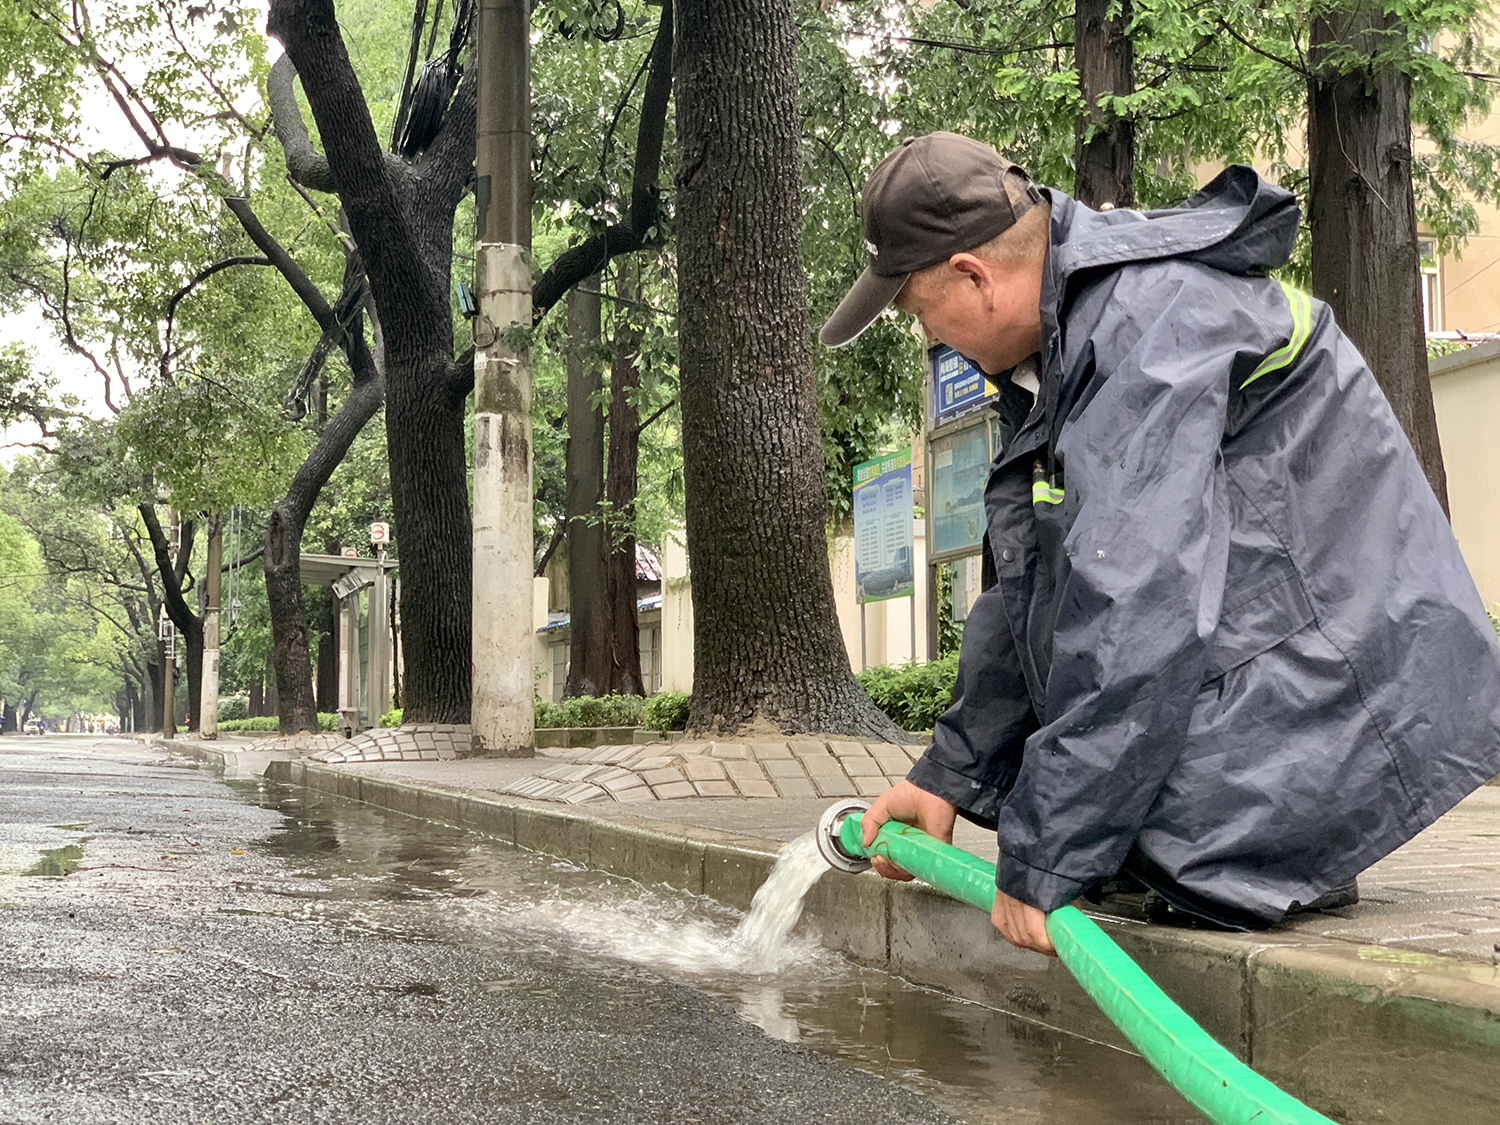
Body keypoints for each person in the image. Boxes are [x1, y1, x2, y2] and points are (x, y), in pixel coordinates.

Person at [820, 131, 1500, 955]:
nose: (930, 336)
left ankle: (1289, 846)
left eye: (921, 312)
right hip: (1295, 648)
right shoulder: (1068, 344)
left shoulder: (1146, 326)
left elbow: (1138, 598)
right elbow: (1035, 586)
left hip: (1351, 666)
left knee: (1180, 858)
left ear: (974, 274)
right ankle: (1259, 848)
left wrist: (1048, 848)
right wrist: (948, 779)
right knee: (1143, 853)